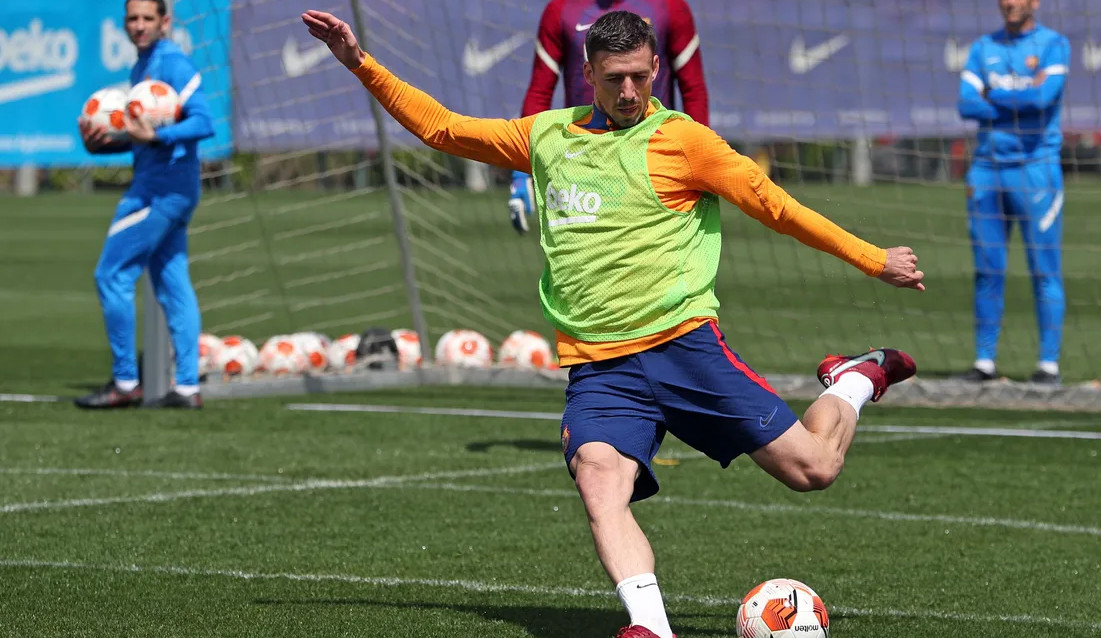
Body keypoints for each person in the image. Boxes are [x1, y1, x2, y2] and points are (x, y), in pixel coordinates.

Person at [301, 9, 923, 637]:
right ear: (588, 75)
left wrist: (874, 261)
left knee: (814, 470)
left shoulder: (685, 140)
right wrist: (359, 61)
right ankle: (650, 628)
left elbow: (776, 207)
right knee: (600, 481)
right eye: (612, 79)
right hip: (599, 367)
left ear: (656, 68)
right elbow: (442, 128)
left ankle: (851, 381)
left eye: (637, 76)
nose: (627, 92)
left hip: (685, 348)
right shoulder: (547, 136)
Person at [75, 0, 213, 409]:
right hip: (174, 189)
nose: (138, 26)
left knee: (111, 274)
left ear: (165, 22)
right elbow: (146, 137)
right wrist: (105, 146)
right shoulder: (144, 65)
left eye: (147, 19)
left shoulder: (171, 62)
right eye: (132, 19)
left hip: (158, 192)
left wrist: (156, 138)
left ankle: (124, 383)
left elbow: (204, 122)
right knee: (172, 282)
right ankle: (187, 388)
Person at [508, 0, 709, 234]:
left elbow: (693, 89)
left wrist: (700, 156)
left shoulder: (670, 7)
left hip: (652, 155)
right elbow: (540, 92)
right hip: (583, 158)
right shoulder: (560, 9)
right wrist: (521, 170)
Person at [957, 0, 1069, 385]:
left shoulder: (1054, 44)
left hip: (1036, 171)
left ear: (1035, 2)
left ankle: (1048, 365)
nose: (1009, 3)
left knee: (1044, 269)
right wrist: (1010, 102)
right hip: (986, 170)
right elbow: (965, 104)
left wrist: (992, 95)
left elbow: (1043, 99)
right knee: (987, 269)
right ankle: (984, 362)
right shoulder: (982, 47)